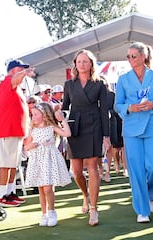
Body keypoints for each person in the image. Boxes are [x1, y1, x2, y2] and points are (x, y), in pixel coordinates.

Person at [114, 42, 153, 223]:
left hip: (152, 125)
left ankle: (152, 194)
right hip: (131, 128)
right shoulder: (123, 79)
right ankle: (142, 210)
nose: (130, 59)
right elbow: (117, 105)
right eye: (128, 56)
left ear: (143, 57)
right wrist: (129, 107)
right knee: (136, 170)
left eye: (133, 56)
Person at [62, 49, 110, 226]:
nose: (82, 64)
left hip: (94, 124)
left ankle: (94, 209)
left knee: (92, 168)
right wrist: (57, 118)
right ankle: (86, 195)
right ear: (75, 64)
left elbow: (105, 111)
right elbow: (65, 107)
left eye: (85, 61)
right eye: (79, 61)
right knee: (76, 171)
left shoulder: (99, 84)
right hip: (75, 126)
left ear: (91, 64)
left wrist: (106, 135)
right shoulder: (69, 84)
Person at [0, 59, 35, 207]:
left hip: (14, 131)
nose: (23, 72)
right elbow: (15, 78)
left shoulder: (15, 86)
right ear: (12, 71)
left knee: (13, 165)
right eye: (20, 69)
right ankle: (2, 195)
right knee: (5, 165)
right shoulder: (7, 82)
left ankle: (9, 193)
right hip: (6, 130)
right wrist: (25, 73)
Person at [23, 102, 71, 227]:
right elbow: (26, 147)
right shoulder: (32, 130)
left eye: (36, 115)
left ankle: (52, 211)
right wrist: (31, 145)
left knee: (48, 188)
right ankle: (44, 213)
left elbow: (67, 134)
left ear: (44, 116)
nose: (33, 117)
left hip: (49, 159)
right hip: (37, 159)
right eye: (32, 115)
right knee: (41, 188)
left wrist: (63, 120)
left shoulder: (51, 127)